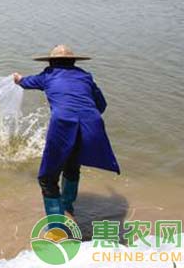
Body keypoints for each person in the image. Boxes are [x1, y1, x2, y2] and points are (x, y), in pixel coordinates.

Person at [13, 44, 120, 218]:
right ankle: (68, 206)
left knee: (47, 179)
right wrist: (84, 116)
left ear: (51, 62)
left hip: (63, 124)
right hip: (92, 123)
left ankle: (57, 228)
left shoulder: (48, 75)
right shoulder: (85, 76)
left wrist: (17, 78)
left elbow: (25, 82)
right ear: (73, 62)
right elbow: (102, 105)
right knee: (72, 166)